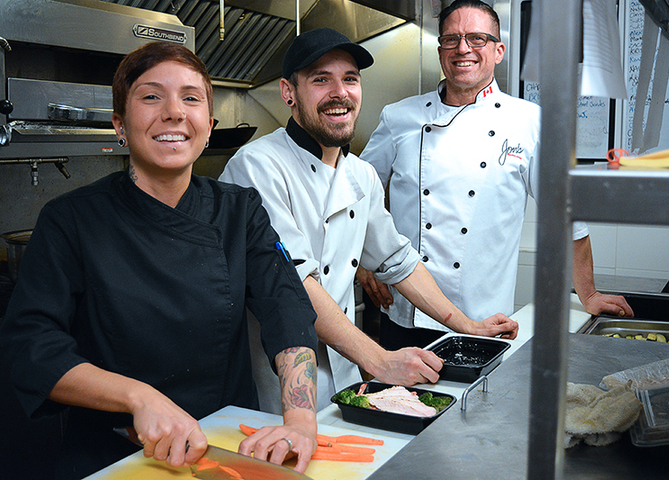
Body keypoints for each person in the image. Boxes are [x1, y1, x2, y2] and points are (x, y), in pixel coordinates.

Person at [0, 42, 319, 479]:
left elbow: (285, 305)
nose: (173, 112)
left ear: (208, 126)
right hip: (111, 456)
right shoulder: (70, 219)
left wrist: (299, 422)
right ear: (120, 125)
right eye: (151, 97)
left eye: (191, 98)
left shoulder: (239, 210)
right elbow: (30, 346)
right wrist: (138, 398)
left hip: (227, 446)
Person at [219, 28, 518, 412]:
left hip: (344, 376)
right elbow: (293, 282)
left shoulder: (360, 175)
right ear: (288, 92)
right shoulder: (256, 166)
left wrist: (466, 325)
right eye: (320, 80)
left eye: (350, 79)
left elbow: (398, 261)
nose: (339, 93)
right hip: (277, 382)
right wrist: (377, 358)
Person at [359, 0, 634, 350]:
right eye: (451, 39)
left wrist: (589, 292)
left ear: (498, 50)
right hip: (404, 313)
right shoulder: (399, 117)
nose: (463, 49)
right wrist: (364, 262)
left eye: (477, 39)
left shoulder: (530, 121)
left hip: (485, 318)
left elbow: (568, 211)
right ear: (439, 49)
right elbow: (358, 193)